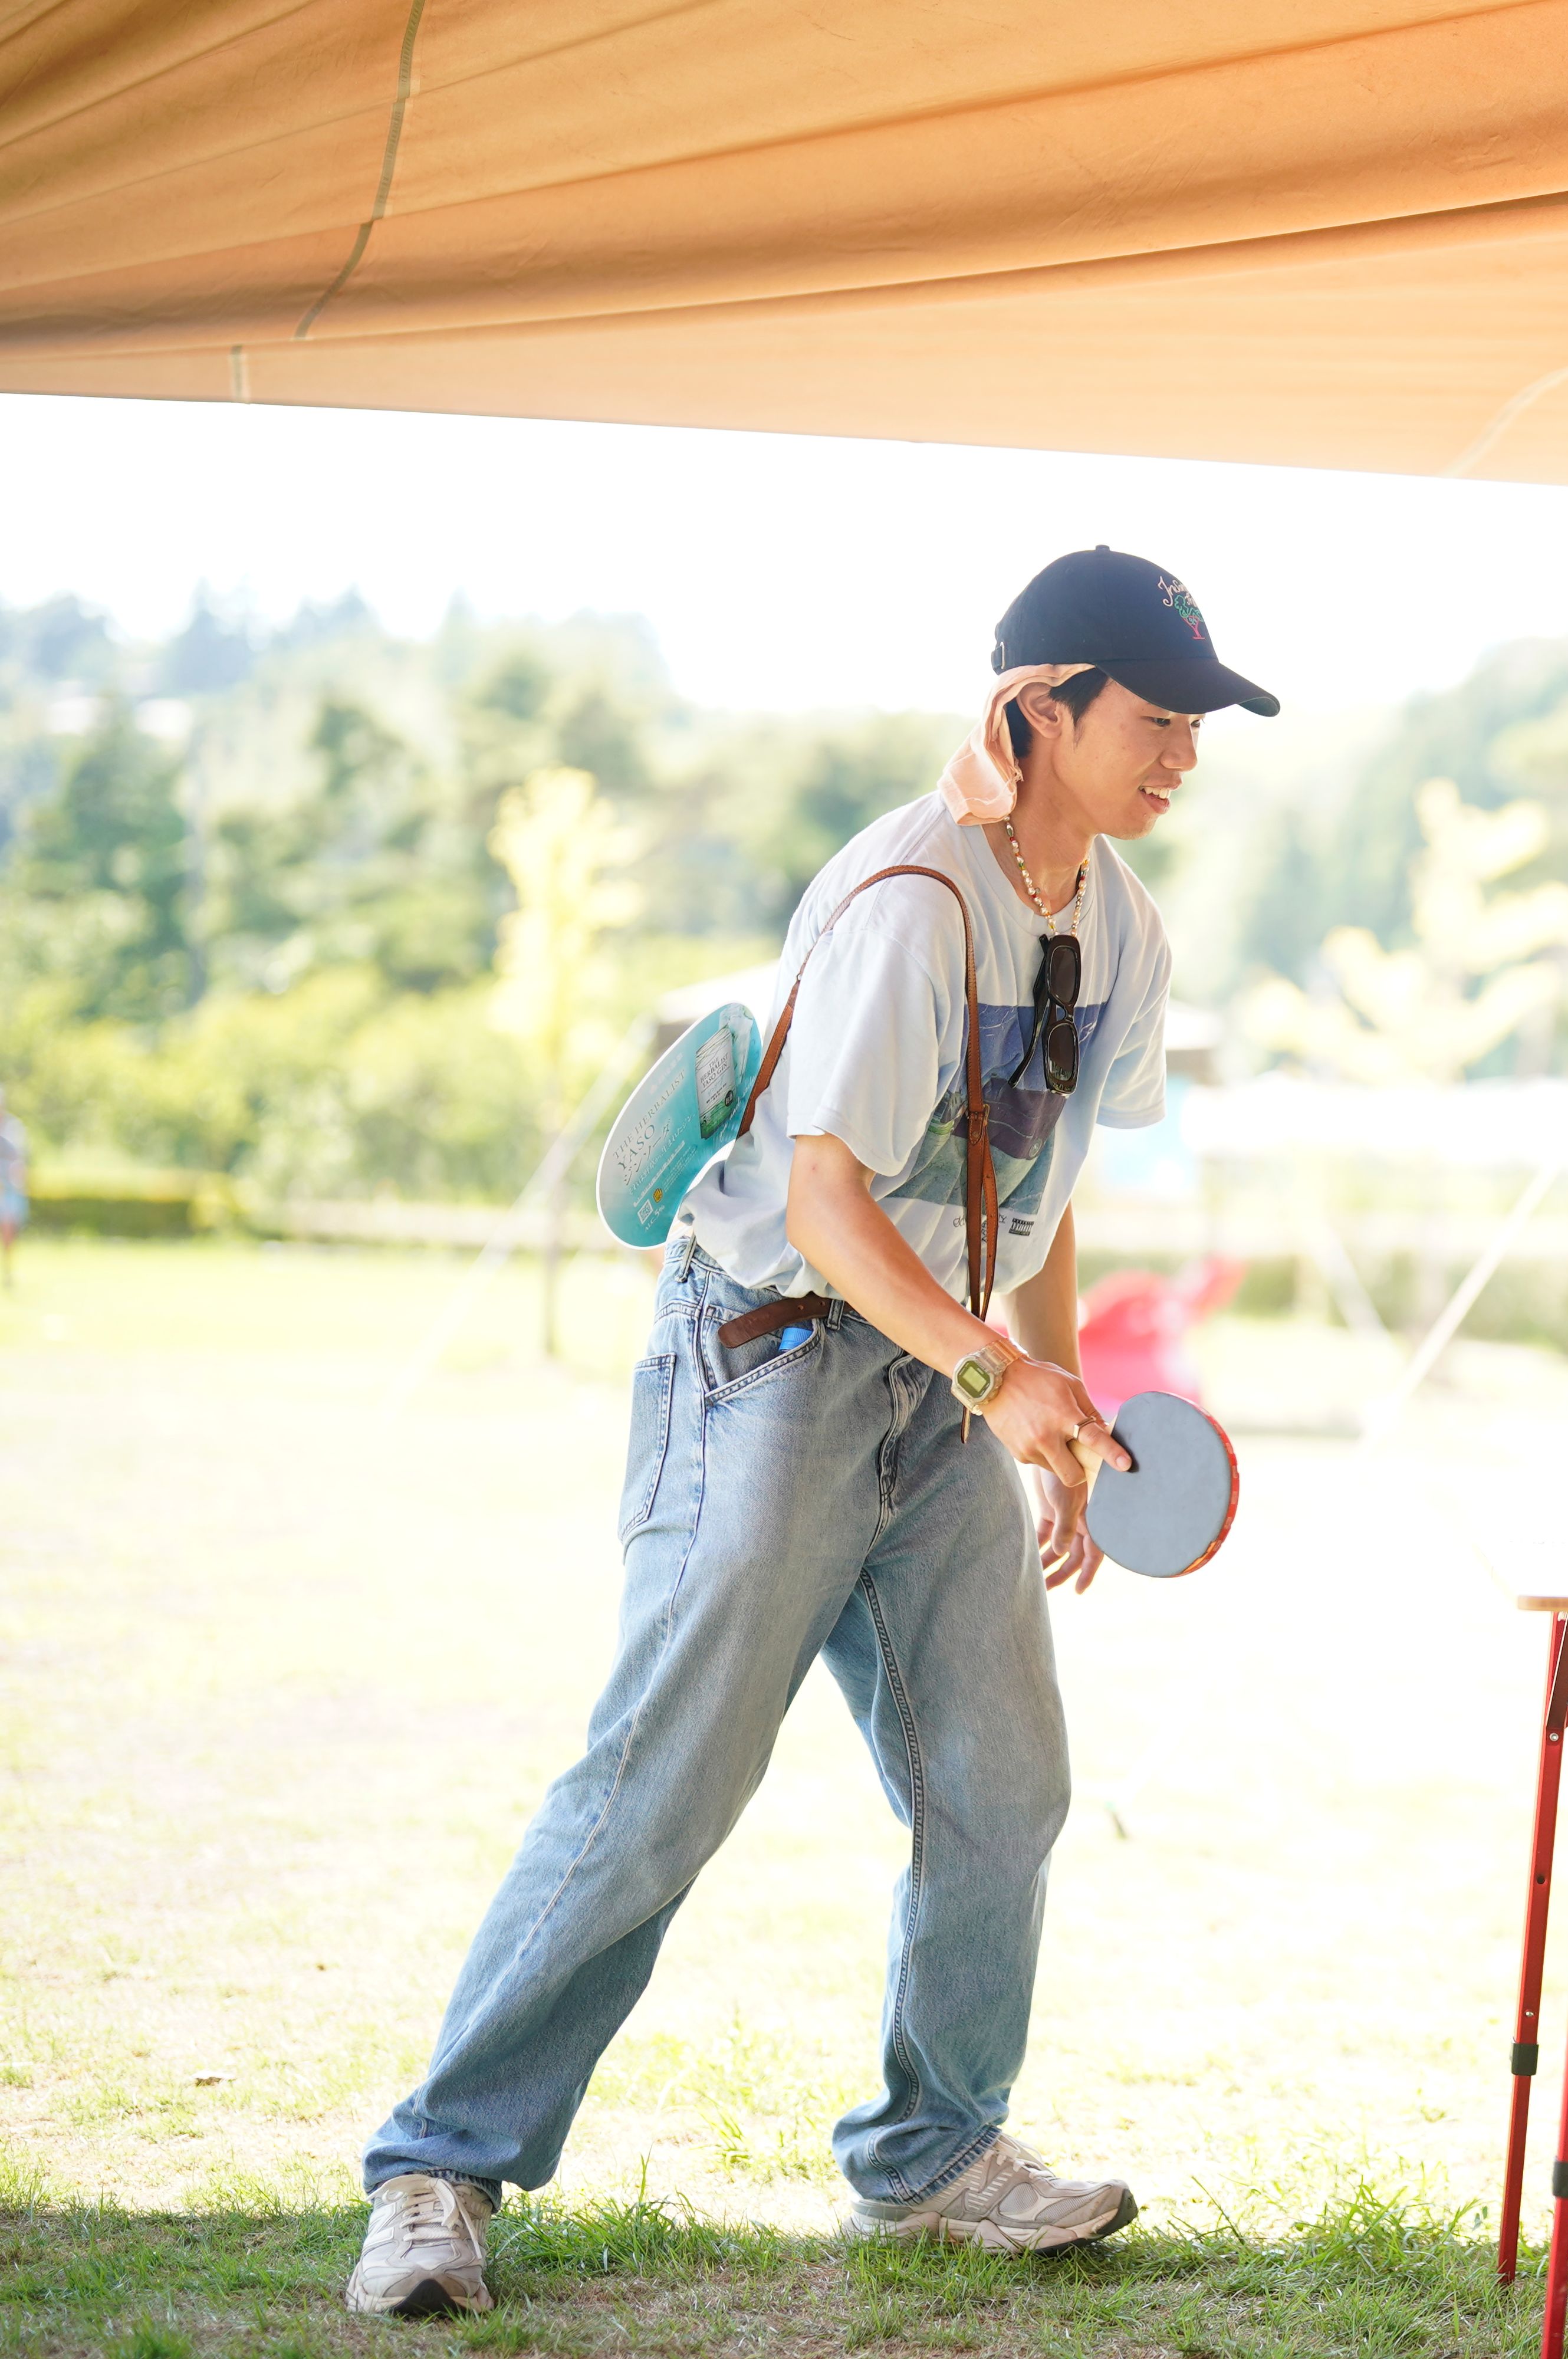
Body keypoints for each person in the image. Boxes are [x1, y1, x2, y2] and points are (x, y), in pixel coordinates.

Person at [347, 548, 1279, 2318]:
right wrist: (996, 1376)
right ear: (1038, 708)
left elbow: (1049, 1178)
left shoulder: (1120, 926)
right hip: (772, 1352)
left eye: (1196, 722)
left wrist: (1048, 1400)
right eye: (1155, 715)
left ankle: (933, 2153)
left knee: (1002, 1786)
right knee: (662, 1789)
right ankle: (436, 2166)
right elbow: (835, 1203)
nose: (1183, 751)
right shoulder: (908, 902)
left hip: (934, 1381)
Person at [0, 1083, 25, 1290]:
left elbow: (18, 1160)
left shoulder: (13, 1128)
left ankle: (9, 1272)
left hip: (8, 1189)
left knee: (8, 1231)